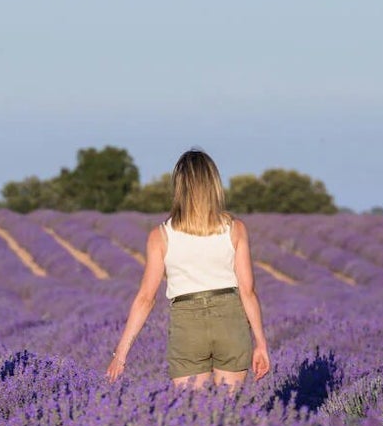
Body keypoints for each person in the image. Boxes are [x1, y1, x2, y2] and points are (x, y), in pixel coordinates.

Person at [107, 149, 270, 389]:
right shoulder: (235, 229)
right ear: (213, 183)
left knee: (193, 415)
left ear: (179, 188)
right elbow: (248, 291)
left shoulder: (160, 236)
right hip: (230, 321)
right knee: (230, 412)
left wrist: (120, 355)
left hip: (187, 325)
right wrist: (261, 344)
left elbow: (145, 299)